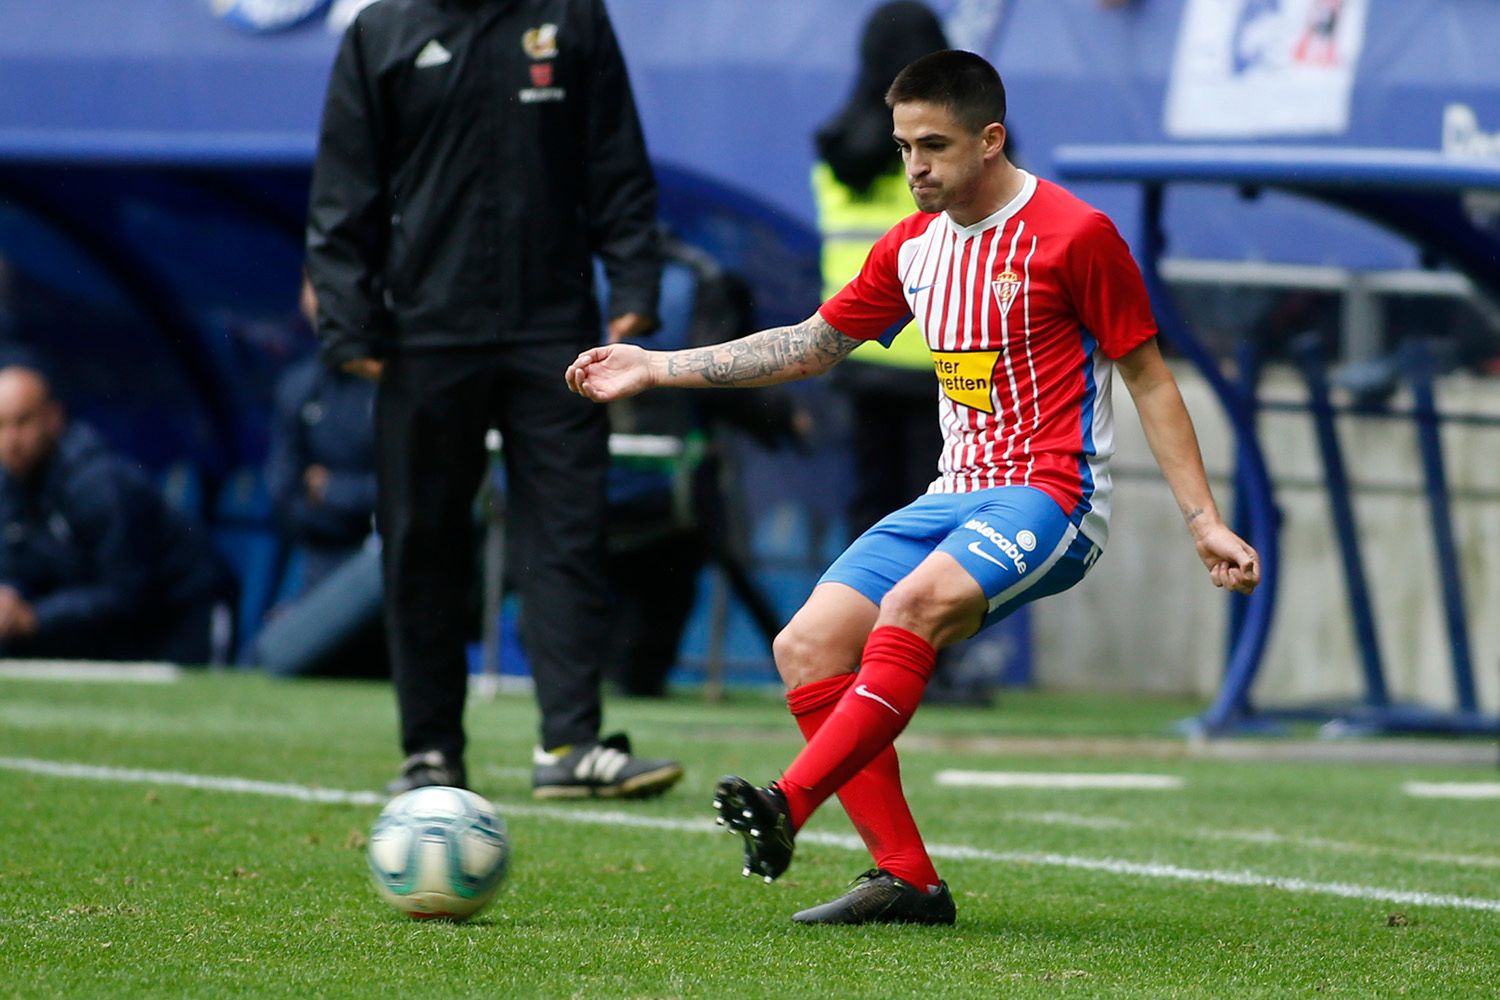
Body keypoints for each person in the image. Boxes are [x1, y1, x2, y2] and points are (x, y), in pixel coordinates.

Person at [566, 50, 1260, 925]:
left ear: (991, 139)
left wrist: (1205, 521)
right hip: (950, 495)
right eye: (903, 147)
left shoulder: (1076, 237)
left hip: (1051, 498)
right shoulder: (913, 248)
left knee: (912, 608)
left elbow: (1151, 378)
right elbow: (811, 346)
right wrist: (657, 366)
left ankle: (789, 803)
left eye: (933, 145)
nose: (914, 167)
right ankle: (909, 882)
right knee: (805, 648)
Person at [306, 0, 683, 799]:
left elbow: (615, 157)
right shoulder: (381, 32)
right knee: (422, 542)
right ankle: (431, 751)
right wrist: (350, 325)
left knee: (571, 531)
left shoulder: (570, 17)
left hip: (556, 333)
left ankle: (571, 745)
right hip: (422, 334)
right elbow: (345, 187)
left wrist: (636, 282)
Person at [814, 1, 993, 705]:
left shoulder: (835, 144)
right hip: (947, 361)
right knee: (950, 527)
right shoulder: (955, 148)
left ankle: (859, 655)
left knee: (874, 515)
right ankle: (931, 665)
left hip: (859, 354)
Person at [0, 364, 236, 663]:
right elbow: (15, 565)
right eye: (0, 425)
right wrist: (8, 597)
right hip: (114, 628)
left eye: (22, 422)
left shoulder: (100, 486)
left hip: (182, 614)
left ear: (54, 418)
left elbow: (126, 592)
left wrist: (36, 618)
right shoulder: (10, 486)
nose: (11, 440)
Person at [253, 276, 385, 678]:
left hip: (385, 572)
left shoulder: (395, 385)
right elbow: (283, 492)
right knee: (270, 661)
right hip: (317, 569)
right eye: (311, 284)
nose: (321, 300)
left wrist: (330, 490)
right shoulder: (299, 386)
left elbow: (406, 493)